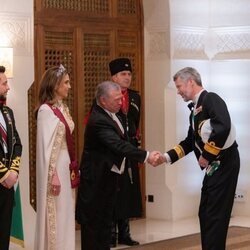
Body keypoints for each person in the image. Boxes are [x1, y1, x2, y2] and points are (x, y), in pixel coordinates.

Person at [158, 67, 240, 250]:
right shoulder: (195, 109)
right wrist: (165, 157)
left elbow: (223, 126)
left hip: (225, 162)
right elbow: (189, 142)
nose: (178, 91)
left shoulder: (211, 98)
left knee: (215, 214)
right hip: (216, 165)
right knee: (206, 213)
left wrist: (206, 155)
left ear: (191, 82)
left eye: (179, 86)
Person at [76, 80, 159, 250]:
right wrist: (146, 156)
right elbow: (118, 145)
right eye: (116, 99)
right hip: (95, 184)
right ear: (103, 100)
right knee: (94, 231)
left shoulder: (113, 114)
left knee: (105, 229)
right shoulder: (98, 120)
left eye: (121, 98)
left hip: (108, 181)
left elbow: (126, 140)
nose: (121, 102)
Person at [35, 64, 79, 250]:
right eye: (66, 82)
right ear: (55, 85)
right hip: (55, 168)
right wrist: (53, 174)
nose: (69, 86)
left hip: (66, 164)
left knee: (67, 213)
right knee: (57, 212)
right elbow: (46, 147)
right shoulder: (46, 111)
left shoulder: (63, 107)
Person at [108, 57, 142, 247]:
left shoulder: (136, 97)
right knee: (115, 190)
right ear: (114, 77)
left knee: (128, 191)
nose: (127, 77)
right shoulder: (106, 95)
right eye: (123, 74)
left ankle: (125, 233)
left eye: (129, 74)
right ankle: (111, 234)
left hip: (130, 148)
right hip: (113, 148)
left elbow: (136, 125)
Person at [0, 66, 22, 250]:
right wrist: (3, 173)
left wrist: (13, 171)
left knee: (4, 233)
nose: (8, 87)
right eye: (4, 83)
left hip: (7, 184)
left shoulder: (8, 112)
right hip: (2, 178)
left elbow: (17, 144)